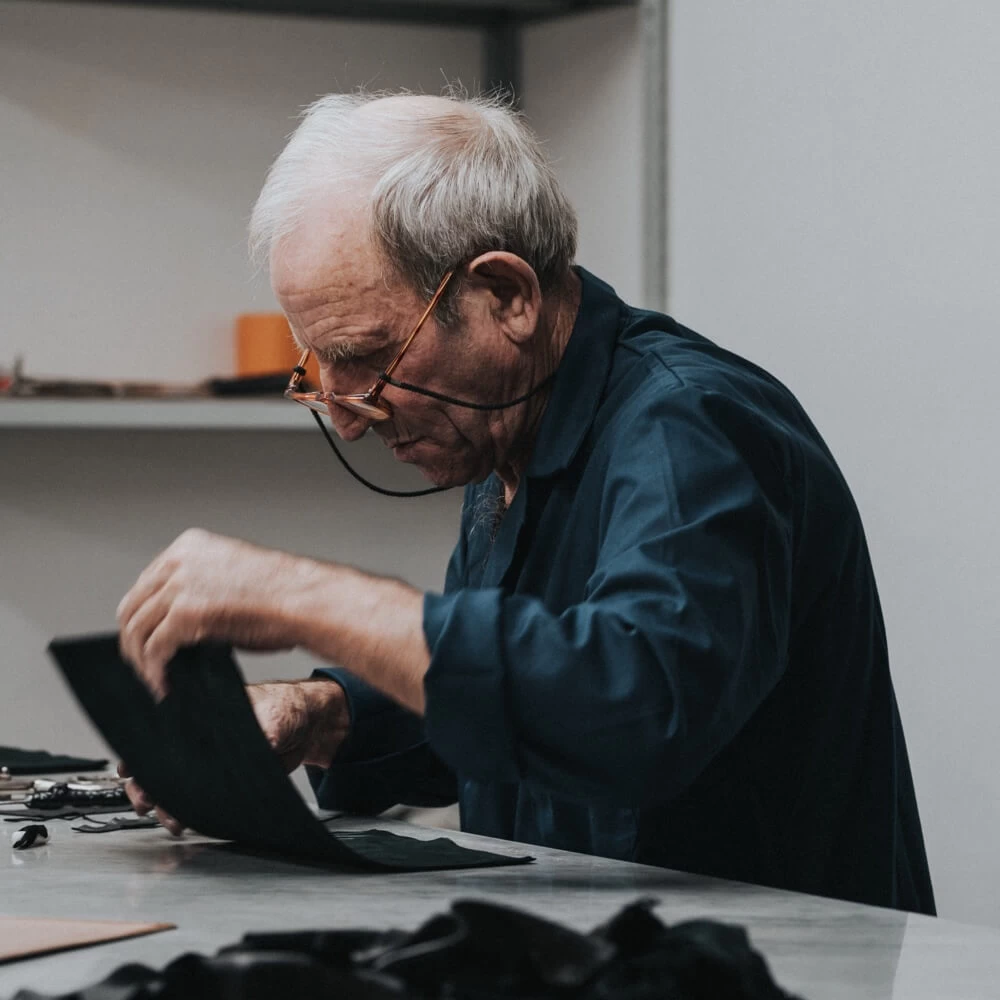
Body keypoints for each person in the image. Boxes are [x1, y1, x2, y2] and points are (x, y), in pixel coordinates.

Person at [117, 91, 935, 915]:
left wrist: (301, 595)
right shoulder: (506, 438)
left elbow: (632, 704)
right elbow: (512, 710)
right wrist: (320, 711)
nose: (347, 415)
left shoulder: (694, 427)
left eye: (366, 357)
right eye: (320, 369)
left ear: (506, 295)